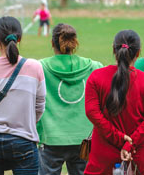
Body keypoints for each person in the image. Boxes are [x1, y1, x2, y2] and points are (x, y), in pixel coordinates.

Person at [0, 16, 46, 175]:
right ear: (20, 38)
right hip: (24, 141)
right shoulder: (35, 67)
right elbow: (40, 107)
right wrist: (25, 123)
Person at [37, 24, 103, 175]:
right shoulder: (94, 67)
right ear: (75, 43)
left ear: (52, 43)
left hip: (50, 137)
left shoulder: (40, 67)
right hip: (84, 139)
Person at [84, 30, 144, 174]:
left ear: (113, 49)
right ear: (138, 53)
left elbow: (92, 113)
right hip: (137, 158)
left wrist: (119, 138)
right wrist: (129, 144)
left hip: (102, 160)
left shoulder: (96, 77)